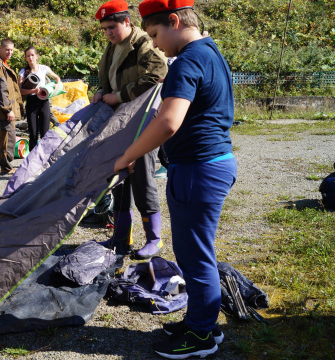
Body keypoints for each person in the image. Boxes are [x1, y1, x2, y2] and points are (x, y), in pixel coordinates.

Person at [114, 0, 237, 357]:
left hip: (198, 169)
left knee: (196, 255)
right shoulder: (211, 52)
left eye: (154, 35)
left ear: (174, 20)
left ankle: (200, 336)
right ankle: (203, 323)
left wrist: (128, 156)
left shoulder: (187, 61)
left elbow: (168, 122)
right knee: (194, 252)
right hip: (213, 164)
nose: (154, 45)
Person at [92, 0, 168, 259]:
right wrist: (102, 92)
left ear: (127, 21)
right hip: (119, 123)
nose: (108, 33)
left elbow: (157, 74)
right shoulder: (112, 47)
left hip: (143, 121)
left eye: (112, 26)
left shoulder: (143, 43)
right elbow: (109, 79)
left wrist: (120, 95)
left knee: (143, 176)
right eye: (104, 29)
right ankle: (121, 237)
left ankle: (154, 239)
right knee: (118, 179)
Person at [0, 39, 24, 175]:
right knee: (8, 137)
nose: (10, 52)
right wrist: (8, 109)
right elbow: (1, 90)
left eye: (12, 50)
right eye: (7, 49)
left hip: (3, 109)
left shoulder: (2, 64)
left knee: (3, 135)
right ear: (0, 48)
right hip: (4, 110)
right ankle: (6, 166)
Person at [18, 46, 62, 151]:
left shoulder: (44, 68)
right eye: (28, 56)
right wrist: (33, 91)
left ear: (37, 56)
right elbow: (19, 90)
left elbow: (57, 78)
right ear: (25, 58)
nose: (30, 58)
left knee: (45, 133)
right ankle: (31, 161)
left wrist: (57, 85)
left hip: (44, 102)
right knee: (33, 134)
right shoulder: (23, 72)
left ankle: (44, 159)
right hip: (31, 102)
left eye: (32, 55)